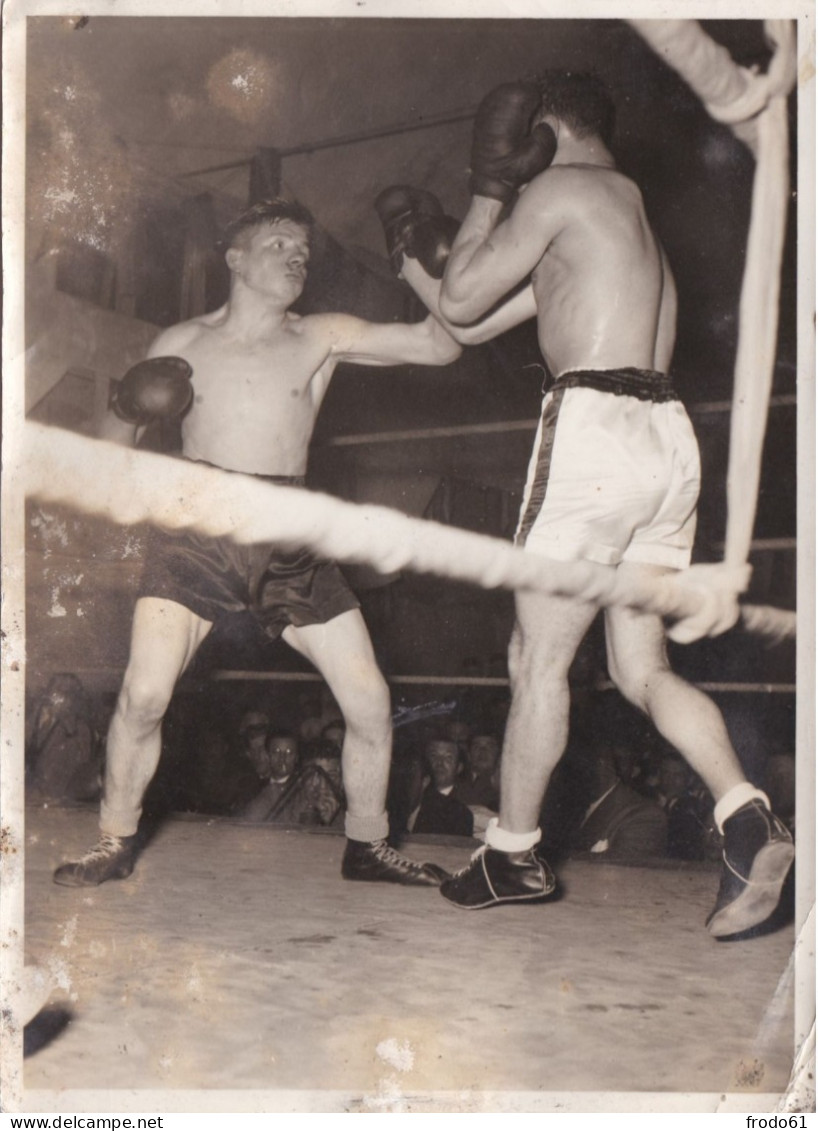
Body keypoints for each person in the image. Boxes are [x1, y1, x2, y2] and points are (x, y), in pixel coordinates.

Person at [382, 73, 794, 935]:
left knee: (536, 658)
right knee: (642, 670)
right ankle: (747, 813)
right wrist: (413, 254)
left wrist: (485, 192)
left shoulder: (561, 187)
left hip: (594, 430)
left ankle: (512, 854)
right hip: (667, 442)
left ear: (538, 131)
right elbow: (465, 321)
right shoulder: (628, 219)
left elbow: (464, 294)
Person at [53, 197, 464, 890]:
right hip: (195, 528)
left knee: (367, 699)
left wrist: (418, 270)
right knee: (145, 693)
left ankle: (367, 843)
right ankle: (113, 838)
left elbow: (439, 344)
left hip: (289, 533)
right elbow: (108, 454)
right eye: (279, 243)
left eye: (303, 251)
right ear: (235, 258)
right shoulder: (180, 341)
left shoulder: (321, 334)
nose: (296, 257)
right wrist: (127, 407)